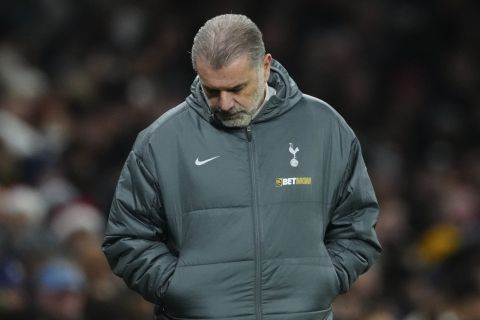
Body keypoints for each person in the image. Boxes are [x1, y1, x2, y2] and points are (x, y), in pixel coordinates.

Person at [102, 14, 381, 320]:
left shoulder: (325, 127)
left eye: (237, 89)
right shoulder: (162, 141)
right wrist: (180, 287)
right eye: (212, 91)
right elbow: (127, 238)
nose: (224, 103)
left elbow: (357, 221)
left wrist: (324, 278)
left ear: (265, 65)